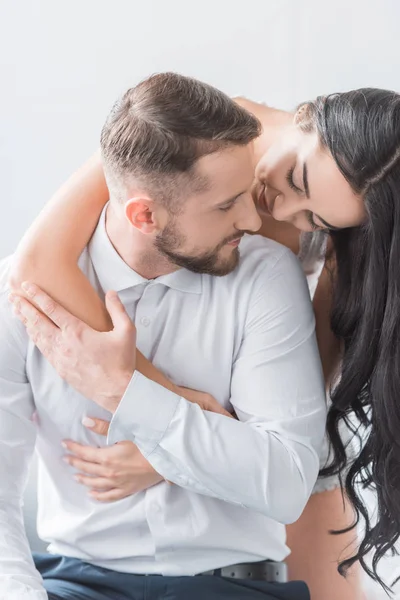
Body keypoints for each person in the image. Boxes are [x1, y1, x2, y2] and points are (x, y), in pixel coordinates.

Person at [2, 72, 327, 600]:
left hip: (232, 588)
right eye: (226, 205)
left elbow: (287, 483)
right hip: (72, 583)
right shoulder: (25, 292)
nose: (253, 219)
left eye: (247, 193)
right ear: (145, 215)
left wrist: (126, 393)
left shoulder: (265, 275)